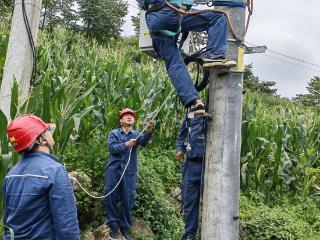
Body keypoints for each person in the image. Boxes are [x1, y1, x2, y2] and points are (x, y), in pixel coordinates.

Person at [145, 0, 236, 117]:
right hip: (170, 13)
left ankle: (194, 102)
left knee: (174, 64)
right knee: (217, 17)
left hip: (153, 22)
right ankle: (214, 57)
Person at [3, 114, 80, 240]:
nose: (50, 132)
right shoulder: (54, 171)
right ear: (42, 139)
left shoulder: (10, 174)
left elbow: (8, 222)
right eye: (47, 130)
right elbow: (67, 226)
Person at [104, 108, 153, 240]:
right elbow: (112, 148)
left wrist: (148, 130)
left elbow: (143, 142)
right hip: (113, 171)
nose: (130, 117)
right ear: (121, 120)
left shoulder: (136, 134)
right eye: (126, 115)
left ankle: (125, 227)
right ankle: (113, 226)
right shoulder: (113, 133)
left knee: (128, 199)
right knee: (110, 197)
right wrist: (126, 144)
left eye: (132, 116)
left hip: (129, 172)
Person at [176, 111, 207, 240]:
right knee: (189, 201)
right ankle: (190, 234)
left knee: (212, 200)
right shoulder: (190, 114)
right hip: (191, 163)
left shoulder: (214, 112)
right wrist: (179, 149)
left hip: (209, 164)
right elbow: (182, 135)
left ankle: (207, 233)